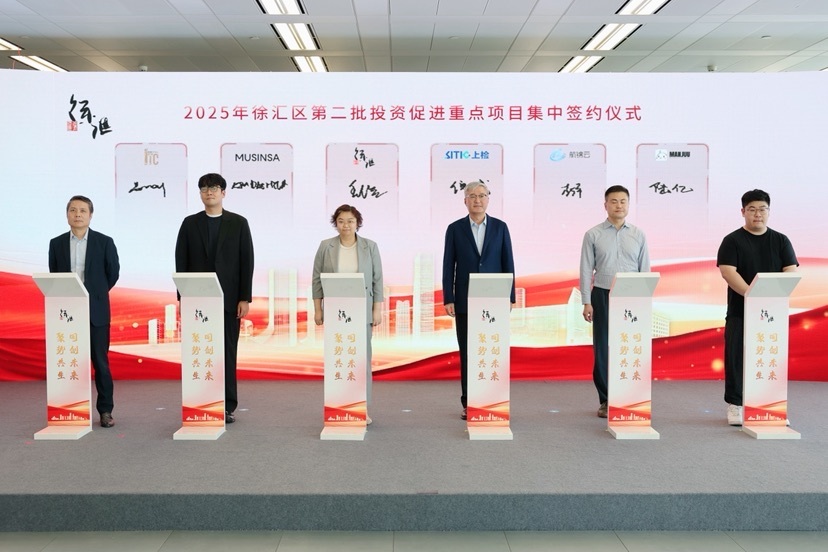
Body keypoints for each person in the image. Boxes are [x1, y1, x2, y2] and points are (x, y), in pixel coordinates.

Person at [175, 173, 254, 424]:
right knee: (199, 350)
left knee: (227, 352)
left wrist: (244, 297)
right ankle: (200, 400)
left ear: (223, 193)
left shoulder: (238, 223)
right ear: (200, 193)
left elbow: (246, 261)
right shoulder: (190, 223)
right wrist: (183, 297)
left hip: (229, 300)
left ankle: (227, 405)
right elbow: (181, 260)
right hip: (197, 300)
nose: (209, 192)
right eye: (204, 188)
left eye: (214, 188)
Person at [716, 189, 798, 426]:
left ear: (769, 211)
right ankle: (735, 404)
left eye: (762, 209)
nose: (757, 214)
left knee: (770, 356)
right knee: (736, 357)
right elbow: (728, 272)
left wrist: (771, 297)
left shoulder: (781, 240)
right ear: (743, 212)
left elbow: (790, 270)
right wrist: (752, 296)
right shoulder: (732, 240)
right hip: (740, 310)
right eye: (752, 209)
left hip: (773, 313)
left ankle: (770, 405)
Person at [442, 181, 515, 420]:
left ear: (488, 199)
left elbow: (508, 262)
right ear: (465, 200)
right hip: (465, 300)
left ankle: (493, 399)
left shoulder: (500, 227)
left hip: (494, 301)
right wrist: (449, 297)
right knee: (468, 351)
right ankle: (470, 402)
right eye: (472, 196)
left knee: (492, 349)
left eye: (482, 195)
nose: (477, 200)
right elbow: (448, 265)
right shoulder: (455, 229)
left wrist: (510, 296)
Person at [48, 195, 120, 428]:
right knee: (69, 360)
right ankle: (70, 409)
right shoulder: (56, 243)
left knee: (100, 362)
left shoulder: (104, 242)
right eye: (73, 210)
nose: (77, 214)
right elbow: (55, 274)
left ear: (90, 215)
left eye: (82, 210)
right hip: (68, 313)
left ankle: (105, 411)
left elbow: (112, 274)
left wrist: (96, 294)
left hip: (96, 311)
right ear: (67, 214)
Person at [580, 185, 650, 418]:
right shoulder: (593, 234)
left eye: (623, 201)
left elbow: (645, 269)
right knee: (603, 348)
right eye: (614, 201)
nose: (619, 205)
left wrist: (644, 300)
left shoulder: (638, 234)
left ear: (628, 204)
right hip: (602, 294)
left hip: (632, 297)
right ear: (605, 205)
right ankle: (606, 399)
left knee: (630, 346)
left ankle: (630, 396)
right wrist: (586, 301)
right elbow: (586, 269)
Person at [312, 204, 384, 425]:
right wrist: (318, 308)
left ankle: (362, 408)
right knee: (338, 357)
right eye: (341, 221)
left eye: (350, 221)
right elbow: (316, 279)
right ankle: (338, 405)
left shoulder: (370, 247)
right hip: (335, 309)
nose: (346, 225)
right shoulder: (326, 246)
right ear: (336, 223)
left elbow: (377, 279)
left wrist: (377, 309)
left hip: (362, 310)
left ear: (357, 223)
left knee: (361, 359)